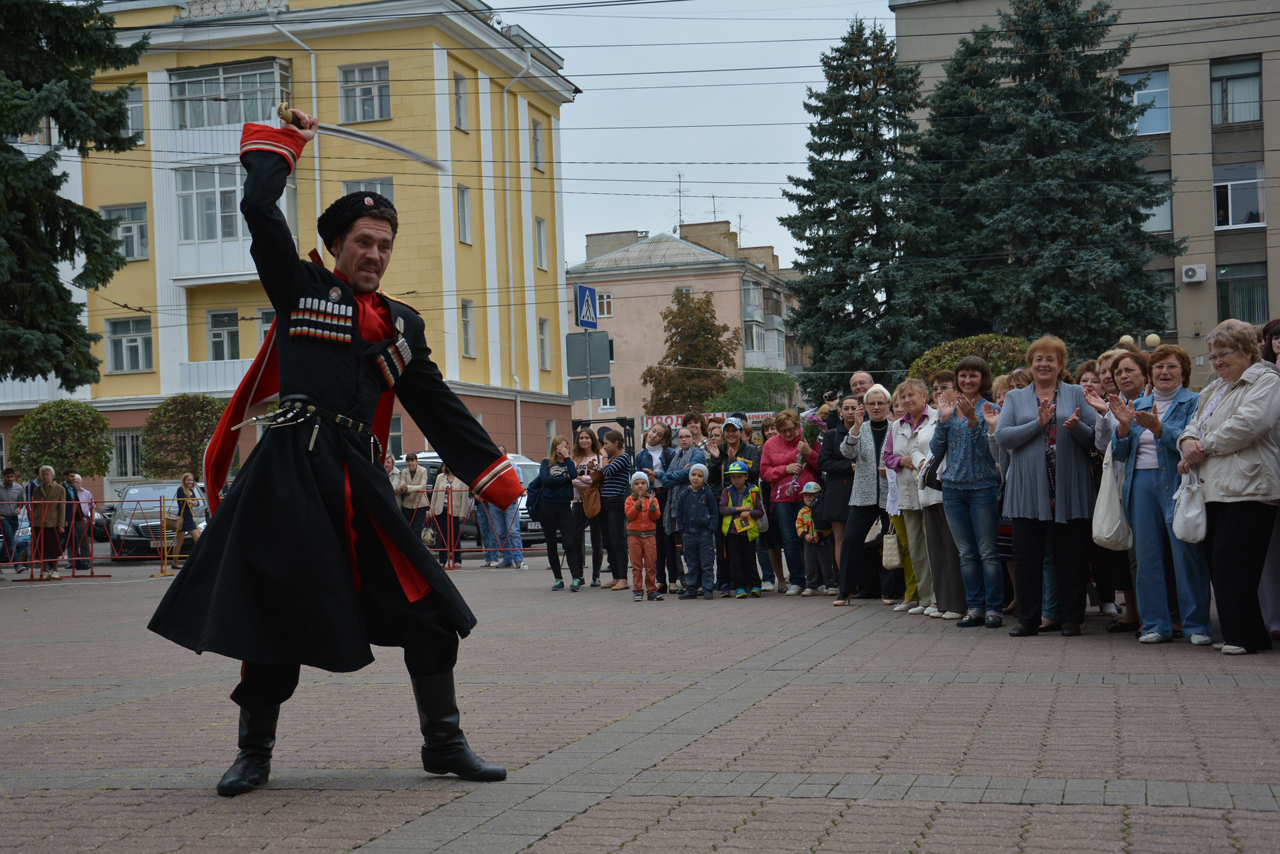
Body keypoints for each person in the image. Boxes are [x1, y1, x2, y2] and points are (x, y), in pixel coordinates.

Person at [148, 109, 523, 796]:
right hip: (288, 478)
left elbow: (435, 404)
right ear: (337, 246)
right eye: (363, 242)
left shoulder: (403, 323)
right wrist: (283, 144)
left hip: (359, 480)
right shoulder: (299, 289)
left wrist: (491, 473)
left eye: (384, 244)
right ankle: (253, 752)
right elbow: (260, 209)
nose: (375, 254)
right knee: (271, 618)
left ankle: (444, 744)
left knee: (430, 606)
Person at [1178, 320, 1280, 655]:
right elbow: (1192, 423)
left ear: (1247, 352)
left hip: (1250, 486)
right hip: (1214, 487)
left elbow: (1250, 424)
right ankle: (1244, 634)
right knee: (1219, 563)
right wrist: (1188, 441)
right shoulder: (1213, 387)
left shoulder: (1266, 380)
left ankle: (1246, 637)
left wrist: (1201, 447)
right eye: (1213, 356)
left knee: (1235, 563)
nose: (1218, 362)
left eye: (1224, 354)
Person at [996, 336, 1097, 637]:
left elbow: (1093, 438)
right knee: (1027, 557)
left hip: (1069, 486)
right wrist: (1037, 424)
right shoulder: (1015, 398)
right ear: (1030, 364)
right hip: (1028, 489)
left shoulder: (1078, 393)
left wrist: (1075, 426)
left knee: (1071, 557)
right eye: (1038, 358)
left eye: (1051, 359)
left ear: (1061, 365)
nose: (1044, 363)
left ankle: (1071, 619)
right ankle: (1028, 619)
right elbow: (1003, 437)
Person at [1110, 345, 1210, 645]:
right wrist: (1124, 428)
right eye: (1159, 367)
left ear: (1183, 372)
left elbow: (1194, 445)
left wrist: (1159, 429)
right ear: (1151, 373)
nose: (1164, 372)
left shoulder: (1195, 402)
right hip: (1140, 484)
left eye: (1171, 367)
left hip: (1177, 484)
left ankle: (1196, 626)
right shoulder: (1137, 402)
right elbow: (1120, 453)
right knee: (1147, 557)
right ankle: (1155, 624)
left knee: (1186, 556)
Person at [932, 357, 1004, 628]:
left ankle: (994, 608)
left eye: (973, 376)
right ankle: (974, 607)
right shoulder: (948, 409)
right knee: (966, 553)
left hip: (983, 488)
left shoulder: (992, 408)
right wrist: (945, 419)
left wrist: (975, 421)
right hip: (952, 489)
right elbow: (937, 450)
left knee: (988, 551)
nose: (967, 381)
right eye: (963, 376)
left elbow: (989, 452)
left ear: (982, 378)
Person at [885, 379, 940, 614]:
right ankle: (924, 598)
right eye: (903, 397)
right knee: (916, 548)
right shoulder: (896, 425)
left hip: (931, 490)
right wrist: (900, 461)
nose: (907, 400)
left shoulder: (937, 418)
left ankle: (939, 597)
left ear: (924, 396)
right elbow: (887, 457)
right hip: (906, 491)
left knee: (934, 546)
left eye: (911, 395)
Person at [835, 386, 892, 606]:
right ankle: (846, 591)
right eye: (872, 404)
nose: (876, 407)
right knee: (850, 540)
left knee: (890, 541)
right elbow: (847, 453)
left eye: (881, 403)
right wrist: (856, 428)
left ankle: (888, 592)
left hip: (889, 496)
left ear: (888, 405)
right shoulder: (861, 429)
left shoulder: (896, 428)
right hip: (863, 494)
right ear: (865, 407)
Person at [760, 409, 822, 595]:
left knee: (813, 537)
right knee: (789, 540)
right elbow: (764, 473)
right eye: (783, 431)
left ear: (798, 426)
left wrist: (809, 452)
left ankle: (816, 580)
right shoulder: (771, 444)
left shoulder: (809, 437)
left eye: (791, 429)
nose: (787, 434)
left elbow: (821, 464)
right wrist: (784, 469)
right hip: (782, 499)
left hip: (807, 496)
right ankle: (797, 580)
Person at [707, 416, 762, 593]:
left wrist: (736, 462)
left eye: (734, 430)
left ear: (740, 432)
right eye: (727, 430)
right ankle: (724, 580)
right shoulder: (720, 449)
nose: (730, 434)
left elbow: (754, 473)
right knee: (723, 543)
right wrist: (716, 459)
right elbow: (712, 477)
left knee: (745, 545)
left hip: (745, 502)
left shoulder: (750, 449)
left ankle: (748, 581)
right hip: (723, 500)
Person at [661, 428, 706, 592]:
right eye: (681, 437)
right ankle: (683, 580)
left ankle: (699, 583)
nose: (684, 440)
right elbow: (665, 482)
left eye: (687, 436)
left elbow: (691, 473)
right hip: (674, 507)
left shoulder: (698, 454)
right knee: (675, 546)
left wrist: (673, 475)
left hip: (691, 505)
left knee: (693, 547)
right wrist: (678, 474)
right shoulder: (676, 456)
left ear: (693, 438)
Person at [818, 396, 859, 576]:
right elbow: (823, 463)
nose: (850, 412)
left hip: (862, 489)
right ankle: (846, 581)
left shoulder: (866, 432)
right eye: (847, 408)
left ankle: (863, 581)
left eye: (854, 408)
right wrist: (847, 467)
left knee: (859, 538)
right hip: (838, 492)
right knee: (840, 539)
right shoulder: (831, 435)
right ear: (840, 411)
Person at [636, 423, 677, 593]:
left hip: (666, 495)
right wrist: (645, 486)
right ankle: (661, 579)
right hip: (651, 497)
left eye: (659, 434)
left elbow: (673, 476)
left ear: (664, 438)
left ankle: (673, 579)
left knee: (669, 538)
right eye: (653, 431)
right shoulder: (641, 455)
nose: (654, 436)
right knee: (656, 539)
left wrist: (658, 478)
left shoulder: (670, 453)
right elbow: (639, 480)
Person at [540, 436, 582, 591]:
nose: (561, 450)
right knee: (551, 544)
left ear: (568, 448)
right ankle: (558, 579)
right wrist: (565, 480)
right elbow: (547, 481)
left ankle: (576, 579)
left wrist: (567, 457)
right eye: (558, 447)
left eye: (564, 447)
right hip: (548, 506)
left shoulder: (569, 463)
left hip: (564, 507)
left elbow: (573, 475)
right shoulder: (546, 462)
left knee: (570, 543)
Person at [719, 460, 764, 598]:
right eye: (733, 477)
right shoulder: (727, 491)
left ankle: (755, 585)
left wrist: (750, 512)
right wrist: (738, 509)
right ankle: (739, 586)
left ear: (746, 476)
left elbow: (760, 512)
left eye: (739, 476)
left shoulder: (753, 491)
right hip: (732, 532)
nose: (736, 479)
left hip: (748, 532)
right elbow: (722, 509)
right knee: (735, 560)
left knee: (750, 559)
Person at [570, 429, 609, 586]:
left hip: (594, 501)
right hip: (578, 502)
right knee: (577, 539)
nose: (584, 440)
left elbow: (597, 479)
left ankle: (596, 576)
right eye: (581, 438)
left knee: (596, 539)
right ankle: (579, 574)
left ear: (592, 440)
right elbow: (571, 479)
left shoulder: (599, 457)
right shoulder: (574, 458)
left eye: (587, 438)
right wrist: (585, 480)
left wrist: (582, 479)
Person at [597, 431, 634, 591]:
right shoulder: (612, 459)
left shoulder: (624, 458)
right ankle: (616, 577)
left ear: (616, 443)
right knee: (608, 541)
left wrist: (604, 457)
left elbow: (607, 472)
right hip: (605, 501)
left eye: (606, 444)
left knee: (617, 540)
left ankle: (623, 579)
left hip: (616, 501)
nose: (604, 447)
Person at [675, 463, 718, 600]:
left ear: (704, 478)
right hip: (689, 534)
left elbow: (714, 513)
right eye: (693, 475)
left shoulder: (708, 494)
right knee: (691, 563)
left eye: (700, 476)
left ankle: (707, 588)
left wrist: (710, 531)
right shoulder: (684, 495)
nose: (696, 478)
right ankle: (691, 588)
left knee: (707, 563)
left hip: (704, 534)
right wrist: (682, 531)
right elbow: (679, 514)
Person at [753, 416, 786, 590]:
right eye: (767, 429)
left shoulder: (787, 446)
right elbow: (761, 475)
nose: (770, 432)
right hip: (769, 500)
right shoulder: (761, 451)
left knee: (792, 540)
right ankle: (779, 579)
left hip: (788, 497)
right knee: (772, 543)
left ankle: (799, 577)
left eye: (773, 428)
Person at [625, 472, 663, 601]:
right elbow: (630, 515)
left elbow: (656, 516)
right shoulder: (629, 500)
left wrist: (652, 506)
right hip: (634, 536)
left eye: (643, 483)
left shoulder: (653, 499)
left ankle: (652, 590)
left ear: (648, 485)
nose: (640, 486)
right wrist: (637, 506)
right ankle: (637, 590)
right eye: (636, 484)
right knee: (636, 566)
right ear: (632, 486)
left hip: (649, 535)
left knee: (651, 565)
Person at [796, 481, 836, 595]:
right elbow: (798, 526)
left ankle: (830, 585)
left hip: (822, 540)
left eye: (812, 495)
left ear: (818, 495)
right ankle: (810, 586)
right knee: (810, 565)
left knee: (826, 564)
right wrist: (805, 535)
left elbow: (829, 526)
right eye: (806, 495)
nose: (808, 497)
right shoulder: (802, 512)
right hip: (808, 542)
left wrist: (820, 534)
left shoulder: (823, 510)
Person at [430, 464, 469, 567]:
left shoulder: (461, 478)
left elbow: (464, 497)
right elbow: (435, 494)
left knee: (455, 536)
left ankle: (457, 560)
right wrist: (432, 510)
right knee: (442, 536)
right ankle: (442, 561)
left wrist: (462, 513)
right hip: (441, 510)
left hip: (455, 511)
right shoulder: (440, 477)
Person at [492, 446, 525, 568]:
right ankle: (507, 558)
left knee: (513, 531)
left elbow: (519, 486)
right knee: (501, 533)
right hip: (495, 505)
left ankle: (519, 559)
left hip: (511, 504)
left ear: (506, 454)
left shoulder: (514, 467)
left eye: (501, 453)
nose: (499, 455)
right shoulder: (491, 469)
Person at [31, 466, 64, 581]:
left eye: (47, 475)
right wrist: (32, 522)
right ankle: (45, 570)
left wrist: (61, 524)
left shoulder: (59, 488)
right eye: (43, 475)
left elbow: (62, 507)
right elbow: (34, 506)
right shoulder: (37, 489)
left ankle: (55, 570)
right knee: (41, 548)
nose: (45, 477)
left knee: (54, 547)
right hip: (39, 521)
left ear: (52, 476)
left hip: (53, 521)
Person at [170, 473, 201, 571]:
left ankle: (199, 561)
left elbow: (197, 503)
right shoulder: (180, 489)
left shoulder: (191, 490)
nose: (190, 482)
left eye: (191, 480)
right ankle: (175, 563)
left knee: (199, 540)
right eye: (188, 480)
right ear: (184, 480)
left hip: (190, 519)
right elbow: (186, 503)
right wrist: (192, 502)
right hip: (182, 519)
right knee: (180, 542)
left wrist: (191, 502)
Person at [396, 453, 431, 539]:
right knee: (408, 530)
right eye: (408, 461)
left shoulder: (423, 470)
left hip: (420, 505)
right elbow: (401, 485)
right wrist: (402, 488)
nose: (410, 463)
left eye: (412, 461)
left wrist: (408, 487)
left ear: (416, 461)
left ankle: (418, 551)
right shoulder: (404, 472)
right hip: (407, 505)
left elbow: (422, 486)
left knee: (417, 530)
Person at [0, 468, 23, 567]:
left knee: (7, 543)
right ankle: (17, 565)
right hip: (3, 518)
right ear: (3, 477)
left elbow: (20, 502)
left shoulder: (18, 488)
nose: (10, 479)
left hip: (14, 518)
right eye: (7, 477)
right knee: (10, 541)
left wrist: (19, 508)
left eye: (12, 476)